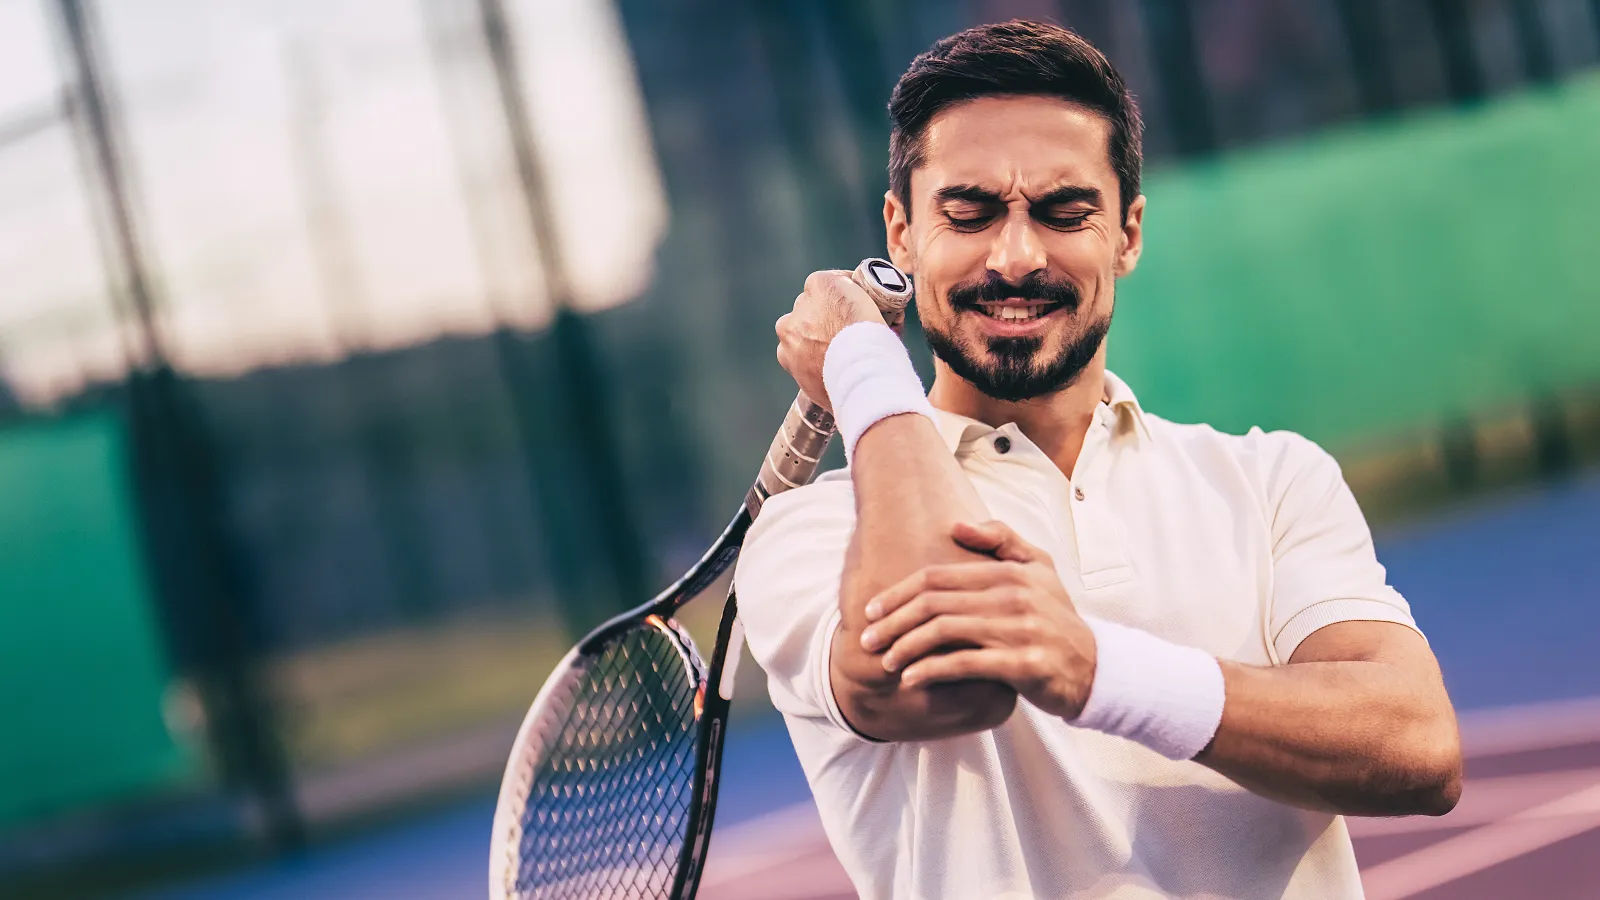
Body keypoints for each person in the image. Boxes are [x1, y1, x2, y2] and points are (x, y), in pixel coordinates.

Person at [733, 19, 1462, 900]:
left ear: (1127, 233)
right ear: (901, 231)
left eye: (1064, 212)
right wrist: (863, 369)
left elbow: (1419, 748)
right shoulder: (809, 534)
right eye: (967, 214)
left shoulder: (1271, 480)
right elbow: (947, 683)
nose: (1015, 256)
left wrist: (1094, 669)